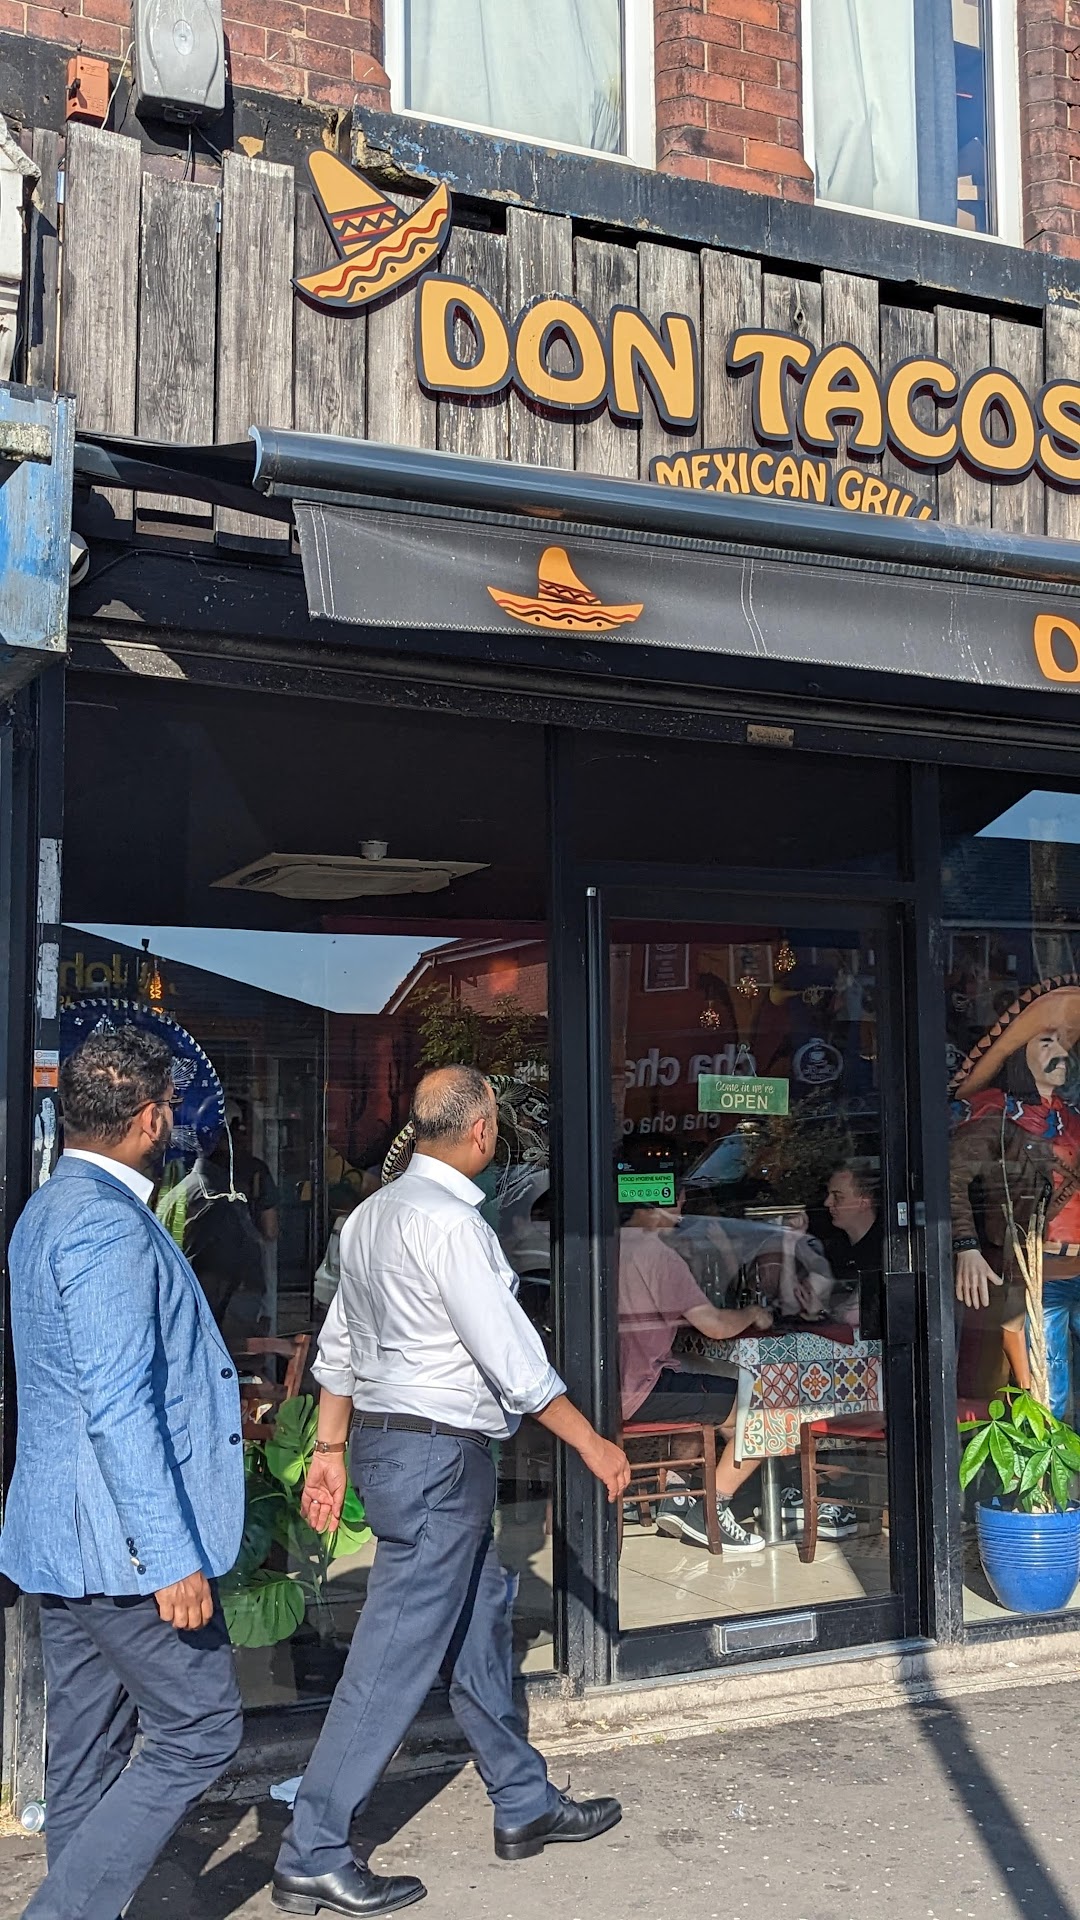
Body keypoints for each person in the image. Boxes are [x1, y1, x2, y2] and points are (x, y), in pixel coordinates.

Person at [272, 1066, 630, 1918]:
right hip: (437, 1459)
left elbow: (339, 1346)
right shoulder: (454, 1225)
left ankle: (523, 1800)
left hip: (391, 1447)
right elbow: (513, 1357)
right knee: (391, 1658)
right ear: (481, 1132)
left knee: (477, 1628)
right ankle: (312, 1849)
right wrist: (592, 1443)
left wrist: (330, 1448)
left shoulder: (369, 1217)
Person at [0, 1028, 246, 1920]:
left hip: (67, 1539)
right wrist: (168, 1557)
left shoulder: (47, 1207)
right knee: (202, 1729)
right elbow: (117, 1405)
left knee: (89, 1751)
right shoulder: (105, 1223)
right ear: (149, 1118)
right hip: (122, 1546)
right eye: (170, 1107)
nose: (172, 1121)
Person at [950, 981, 1080, 1416]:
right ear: (1019, 1056)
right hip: (1038, 1271)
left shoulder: (1072, 1119)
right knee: (1048, 1393)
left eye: (1063, 1043)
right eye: (1046, 1042)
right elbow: (952, 1179)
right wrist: (966, 1246)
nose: (1061, 1052)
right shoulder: (995, 1117)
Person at [618, 1197, 774, 1554]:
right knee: (766, 1409)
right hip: (641, 1390)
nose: (682, 1214)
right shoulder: (658, 1255)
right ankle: (711, 1512)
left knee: (695, 1382)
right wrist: (752, 1313)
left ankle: (676, 1495)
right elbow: (714, 1325)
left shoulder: (607, 1244)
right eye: (679, 1204)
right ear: (658, 1202)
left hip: (608, 1388)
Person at [823, 1162, 884, 1338]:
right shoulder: (833, 1247)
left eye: (838, 1197)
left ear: (864, 1202)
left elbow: (854, 1314)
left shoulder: (888, 1249)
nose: (827, 1203)